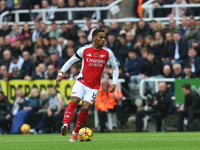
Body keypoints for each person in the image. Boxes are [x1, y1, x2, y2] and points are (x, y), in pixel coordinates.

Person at [56, 29, 119, 142]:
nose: (103, 40)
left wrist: (114, 82)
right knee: (74, 100)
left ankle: (75, 133)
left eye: (104, 37)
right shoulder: (84, 50)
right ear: (94, 38)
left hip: (94, 86)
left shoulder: (108, 53)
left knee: (85, 107)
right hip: (81, 81)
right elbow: (70, 61)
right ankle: (65, 125)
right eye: (101, 37)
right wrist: (61, 73)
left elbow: (115, 67)